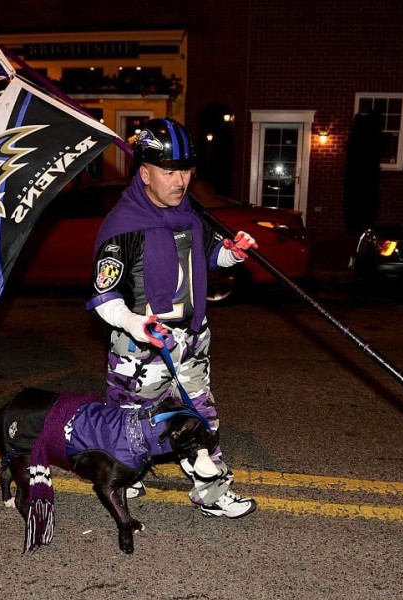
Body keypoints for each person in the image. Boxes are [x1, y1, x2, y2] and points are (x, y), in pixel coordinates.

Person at [85, 117, 258, 518]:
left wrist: (232, 253)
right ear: (145, 173)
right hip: (140, 347)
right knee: (130, 423)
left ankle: (212, 492)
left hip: (191, 340)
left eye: (185, 170)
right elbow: (104, 296)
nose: (180, 180)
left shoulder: (189, 213)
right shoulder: (123, 227)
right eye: (169, 171)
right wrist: (134, 324)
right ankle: (125, 477)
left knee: (200, 415)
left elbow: (207, 256)